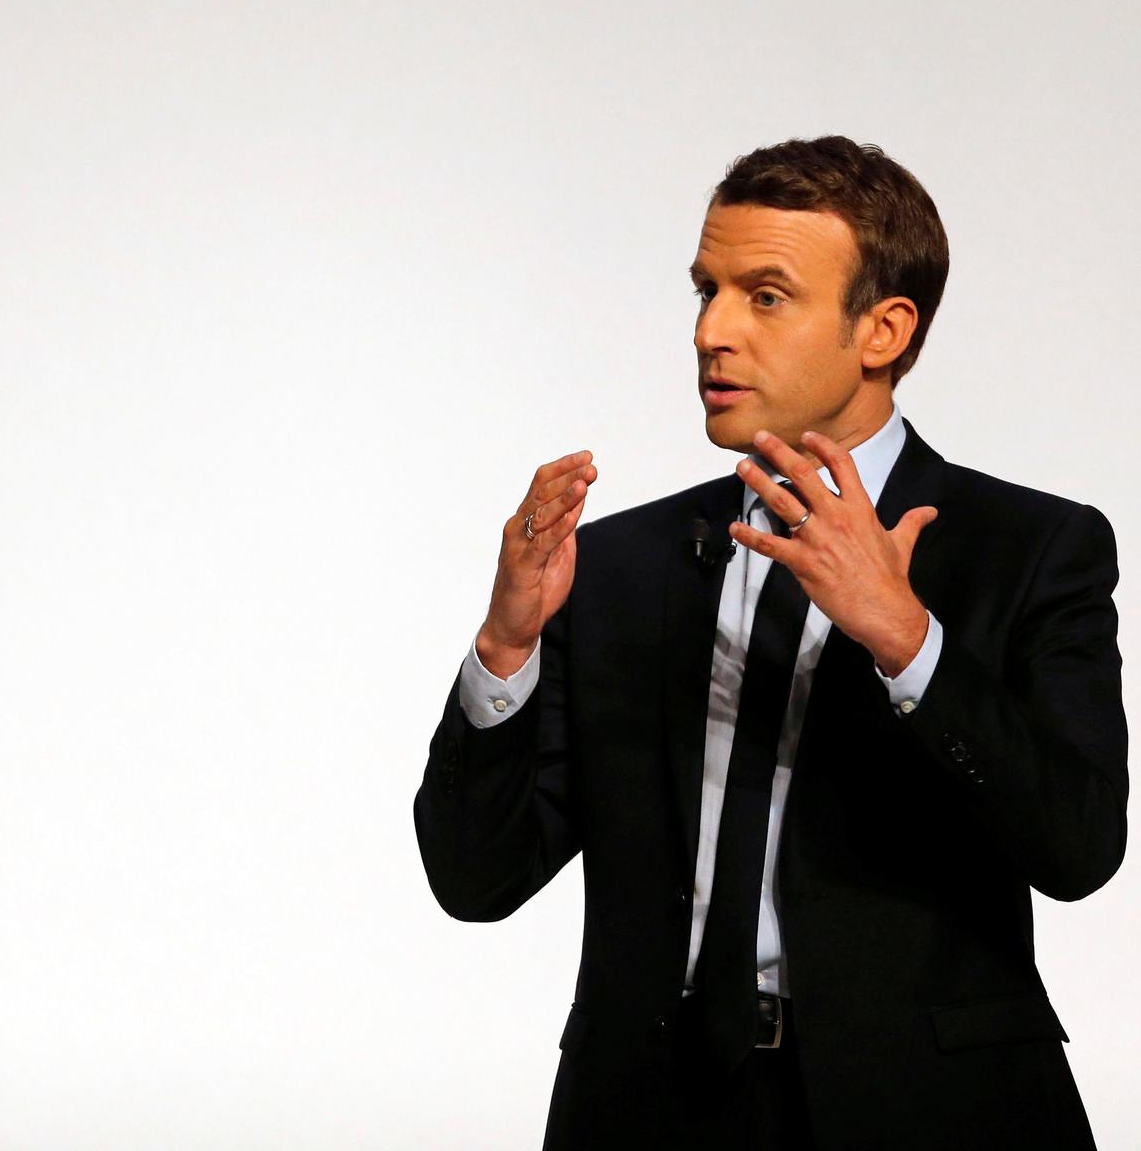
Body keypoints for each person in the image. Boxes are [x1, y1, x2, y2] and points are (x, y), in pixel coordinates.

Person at [412, 135, 1125, 1150]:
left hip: (936, 1113)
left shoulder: (1032, 547)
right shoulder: (619, 564)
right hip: (653, 1115)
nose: (712, 330)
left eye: (766, 295)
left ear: (881, 329)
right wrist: (506, 643)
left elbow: (1080, 843)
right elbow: (474, 876)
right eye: (707, 289)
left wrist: (908, 639)